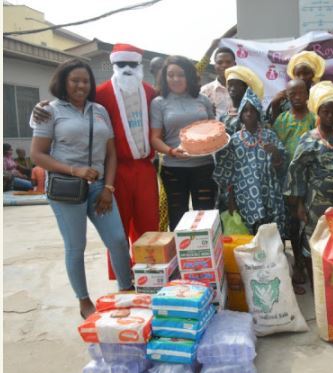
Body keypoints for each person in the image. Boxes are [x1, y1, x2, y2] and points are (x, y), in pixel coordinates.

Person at [35, 43, 161, 279]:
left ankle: (152, 276)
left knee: (149, 224)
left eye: (132, 64)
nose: (126, 69)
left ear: (140, 65)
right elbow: (68, 103)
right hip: (115, 169)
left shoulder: (150, 93)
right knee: (118, 229)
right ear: (113, 65)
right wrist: (40, 106)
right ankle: (123, 280)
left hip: (143, 167)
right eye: (120, 64)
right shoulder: (101, 93)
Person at [29, 59, 133, 319]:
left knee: (118, 240)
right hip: (67, 188)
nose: (81, 85)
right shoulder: (49, 111)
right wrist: (74, 170)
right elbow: (37, 155)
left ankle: (126, 290)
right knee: (76, 246)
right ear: (63, 81)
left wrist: (108, 187)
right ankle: (84, 300)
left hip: (99, 186)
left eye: (85, 81)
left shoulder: (99, 110)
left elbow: (111, 153)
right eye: (75, 80)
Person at [284, 81, 333, 282]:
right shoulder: (308, 139)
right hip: (316, 204)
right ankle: (318, 283)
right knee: (314, 242)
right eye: (326, 111)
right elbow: (297, 172)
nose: (330, 116)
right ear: (318, 112)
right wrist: (299, 204)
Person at [150, 55, 216, 230]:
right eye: (170, 75)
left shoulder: (203, 100)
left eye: (181, 75)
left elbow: (214, 129)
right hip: (174, 168)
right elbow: (155, 139)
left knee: (206, 217)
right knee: (178, 218)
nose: (175, 79)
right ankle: (180, 256)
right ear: (164, 77)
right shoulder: (159, 103)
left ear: (189, 76)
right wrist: (171, 151)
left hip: (204, 166)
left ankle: (207, 256)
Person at [213, 88, 286, 235]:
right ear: (240, 114)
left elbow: (281, 164)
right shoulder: (233, 140)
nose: (249, 113)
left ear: (259, 113)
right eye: (245, 110)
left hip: (268, 193)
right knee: (247, 235)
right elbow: (228, 174)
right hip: (243, 195)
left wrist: (275, 152)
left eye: (252, 110)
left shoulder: (269, 136)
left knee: (269, 234)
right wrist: (231, 200)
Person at [272, 78, 316, 291]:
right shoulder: (282, 120)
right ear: (287, 97)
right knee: (292, 225)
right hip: (288, 181)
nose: (297, 97)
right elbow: (278, 149)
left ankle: (314, 264)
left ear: (307, 94)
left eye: (301, 93)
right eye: (292, 94)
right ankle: (298, 262)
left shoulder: (314, 118)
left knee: (311, 223)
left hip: (312, 180)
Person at [268, 51, 325, 123]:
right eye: (298, 74)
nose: (302, 77)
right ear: (293, 76)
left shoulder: (322, 96)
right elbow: (276, 127)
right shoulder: (284, 98)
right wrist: (274, 106)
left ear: (314, 74)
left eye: (306, 73)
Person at [221, 65, 264, 134]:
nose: (232, 89)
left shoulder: (253, 114)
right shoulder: (223, 117)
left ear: (247, 88)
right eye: (230, 84)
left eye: (236, 85)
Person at [201, 47, 236, 120]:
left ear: (234, 64)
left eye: (228, 62)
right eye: (220, 62)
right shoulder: (204, 91)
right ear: (215, 66)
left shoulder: (244, 90)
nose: (224, 65)